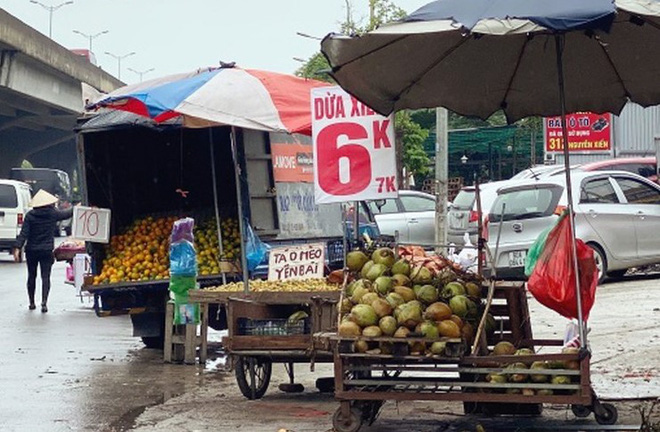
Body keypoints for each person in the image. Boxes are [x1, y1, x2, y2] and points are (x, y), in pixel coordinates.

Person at [14, 189, 74, 313]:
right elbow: (67, 213)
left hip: (31, 251)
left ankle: (31, 302)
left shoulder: (30, 215)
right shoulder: (53, 214)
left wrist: (17, 248)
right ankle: (44, 302)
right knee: (45, 277)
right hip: (46, 250)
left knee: (31, 276)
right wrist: (78, 207)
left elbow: (24, 234)